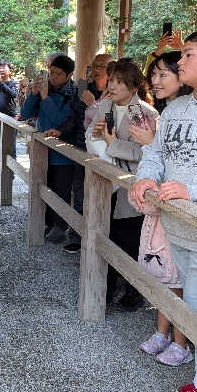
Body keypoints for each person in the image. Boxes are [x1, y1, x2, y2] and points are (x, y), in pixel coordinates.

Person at [131, 30, 197, 392]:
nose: (180, 61)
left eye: (189, 54)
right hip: (177, 230)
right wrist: (145, 177)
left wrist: (196, 189)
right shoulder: (176, 109)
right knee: (193, 309)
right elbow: (156, 153)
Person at [132, 51, 193, 366]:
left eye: (162, 74)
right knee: (163, 274)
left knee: (179, 279)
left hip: (182, 207)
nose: (154, 81)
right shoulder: (168, 110)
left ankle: (182, 343)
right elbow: (157, 157)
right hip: (163, 206)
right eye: (152, 75)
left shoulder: (185, 112)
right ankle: (162, 332)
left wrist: (149, 141)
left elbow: (176, 161)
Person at [85, 58, 158, 311]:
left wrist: (110, 142)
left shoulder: (145, 114)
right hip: (105, 181)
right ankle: (105, 288)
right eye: (112, 80)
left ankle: (132, 291)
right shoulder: (106, 104)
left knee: (129, 240)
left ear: (134, 87)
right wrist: (97, 136)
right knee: (107, 233)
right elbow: (91, 131)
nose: (112, 86)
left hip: (130, 186)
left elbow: (147, 153)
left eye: (119, 82)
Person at [55, 53, 115, 254]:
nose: (98, 69)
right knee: (80, 194)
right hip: (83, 149)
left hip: (109, 155)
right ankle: (77, 236)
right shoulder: (84, 90)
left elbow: (110, 123)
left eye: (103, 65)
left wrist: (94, 104)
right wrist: (61, 131)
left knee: (105, 197)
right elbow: (74, 117)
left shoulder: (115, 93)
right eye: (95, 65)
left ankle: (101, 241)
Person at [22, 54, 78, 244]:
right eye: (51, 72)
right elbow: (25, 113)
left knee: (61, 190)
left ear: (69, 75)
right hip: (42, 150)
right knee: (41, 185)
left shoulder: (74, 93)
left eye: (58, 74)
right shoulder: (46, 88)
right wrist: (34, 95)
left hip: (63, 153)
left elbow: (61, 121)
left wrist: (45, 98)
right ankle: (45, 222)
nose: (53, 77)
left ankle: (60, 226)